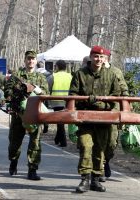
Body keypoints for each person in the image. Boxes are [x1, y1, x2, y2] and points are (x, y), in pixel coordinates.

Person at [69, 45, 125, 193]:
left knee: (100, 149)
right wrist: (87, 102)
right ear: (91, 57)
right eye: (96, 56)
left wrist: (102, 104)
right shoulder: (80, 74)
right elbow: (72, 95)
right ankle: (85, 179)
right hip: (85, 118)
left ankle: (96, 179)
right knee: (86, 146)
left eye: (101, 57)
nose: (98, 59)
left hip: (104, 119)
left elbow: (117, 96)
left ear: (104, 58)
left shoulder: (111, 75)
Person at [4, 50, 49, 180]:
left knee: (35, 142)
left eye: (33, 59)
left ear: (36, 61)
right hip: (19, 114)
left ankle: (32, 169)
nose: (31, 61)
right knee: (14, 142)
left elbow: (46, 94)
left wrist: (37, 89)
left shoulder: (40, 77)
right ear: (25, 60)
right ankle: (13, 161)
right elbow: (7, 90)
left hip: (35, 114)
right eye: (28, 59)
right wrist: (17, 93)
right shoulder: (17, 75)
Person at [101, 48, 129, 181]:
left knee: (112, 142)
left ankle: (106, 160)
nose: (103, 59)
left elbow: (124, 91)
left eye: (105, 57)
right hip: (97, 111)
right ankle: (99, 166)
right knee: (98, 140)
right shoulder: (93, 71)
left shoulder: (116, 72)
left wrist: (126, 109)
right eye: (101, 56)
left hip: (113, 112)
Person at [48, 60, 72, 147]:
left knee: (60, 121)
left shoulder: (53, 76)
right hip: (68, 102)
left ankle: (63, 141)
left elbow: (48, 88)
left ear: (57, 67)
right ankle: (57, 139)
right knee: (61, 121)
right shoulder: (70, 76)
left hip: (56, 101)